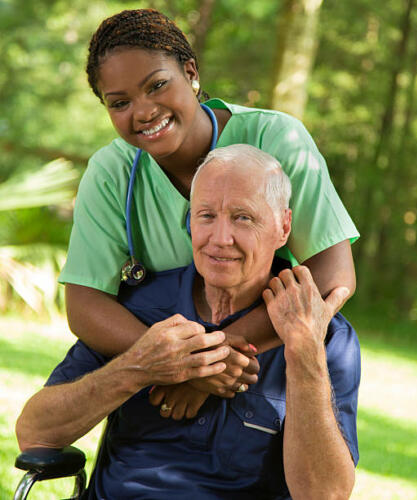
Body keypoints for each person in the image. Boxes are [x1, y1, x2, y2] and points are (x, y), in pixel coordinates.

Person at [16, 146, 360, 499]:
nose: (220, 238)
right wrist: (139, 367)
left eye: (243, 218)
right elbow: (35, 433)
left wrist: (304, 353)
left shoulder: (324, 333)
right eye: (207, 216)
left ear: (283, 227)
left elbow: (325, 493)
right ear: (190, 223)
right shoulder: (139, 306)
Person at [60, 9, 359, 414]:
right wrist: (179, 364)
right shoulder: (111, 172)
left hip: (263, 370)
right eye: (120, 103)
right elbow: (84, 305)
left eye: (158, 85)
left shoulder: (277, 139)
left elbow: (333, 277)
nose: (144, 111)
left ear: (191, 72)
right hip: (161, 388)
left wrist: (216, 356)